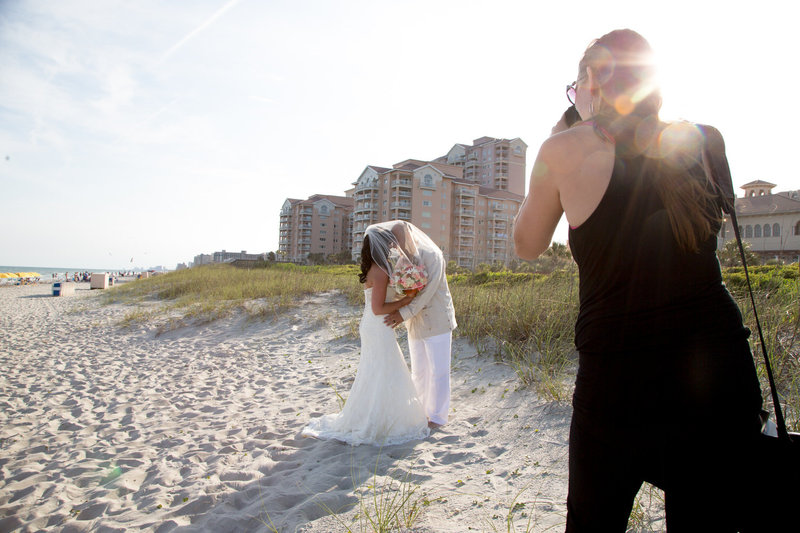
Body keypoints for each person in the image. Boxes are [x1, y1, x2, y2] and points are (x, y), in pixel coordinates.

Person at [513, 29, 763, 532]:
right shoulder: (707, 140)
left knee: (593, 522)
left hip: (619, 378)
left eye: (575, 85)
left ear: (593, 81)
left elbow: (526, 244)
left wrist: (564, 130)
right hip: (717, 366)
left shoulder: (564, 148)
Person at [302, 223, 429, 446]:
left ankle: (381, 414)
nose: (393, 245)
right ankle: (377, 419)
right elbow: (378, 308)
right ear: (380, 246)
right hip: (376, 325)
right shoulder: (379, 271)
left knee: (378, 370)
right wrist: (406, 301)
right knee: (383, 369)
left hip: (374, 325)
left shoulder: (378, 267)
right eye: (389, 242)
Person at [383, 221, 456, 428]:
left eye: (398, 240)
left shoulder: (433, 256)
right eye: (394, 243)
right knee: (419, 371)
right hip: (415, 324)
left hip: (437, 321)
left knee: (439, 371)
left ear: (409, 236)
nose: (396, 246)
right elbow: (400, 291)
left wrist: (402, 313)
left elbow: (427, 294)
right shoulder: (403, 262)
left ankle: (438, 417)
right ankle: (421, 413)